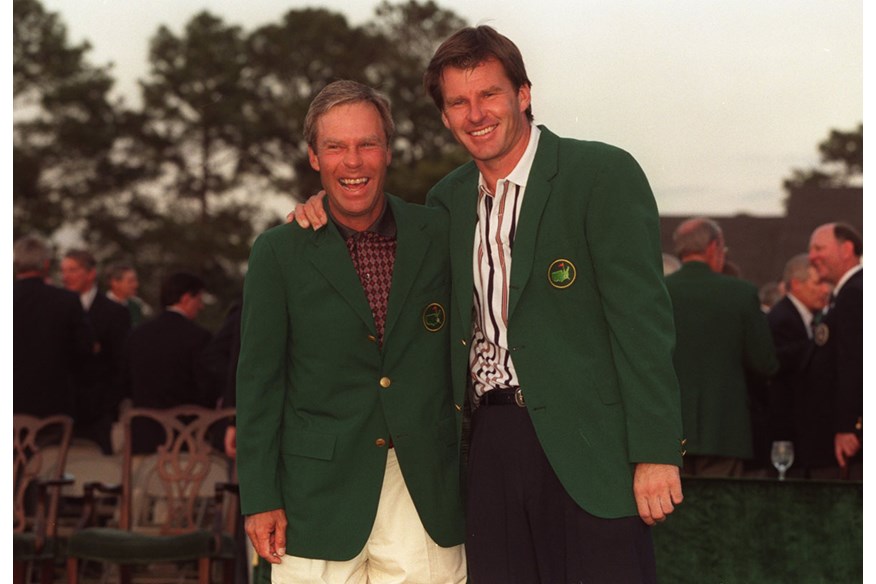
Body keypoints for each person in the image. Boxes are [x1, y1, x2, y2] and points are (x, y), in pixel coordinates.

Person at [293, 27, 685, 584]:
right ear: (446, 116)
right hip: (491, 447)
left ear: (523, 94)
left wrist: (655, 451)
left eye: (490, 94)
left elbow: (643, 326)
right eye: (458, 102)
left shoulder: (600, 175)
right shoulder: (446, 202)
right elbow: (372, 227)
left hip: (589, 447)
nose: (476, 113)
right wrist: (320, 208)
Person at [237, 80, 465, 584]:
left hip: (422, 491)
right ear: (314, 157)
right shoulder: (278, 252)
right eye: (335, 146)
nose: (353, 161)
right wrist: (260, 498)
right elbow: (259, 385)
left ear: (388, 150)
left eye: (366, 144)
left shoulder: (440, 234)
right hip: (313, 500)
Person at [665, 217, 778, 478]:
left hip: (669, 429)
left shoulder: (661, 291)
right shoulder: (741, 293)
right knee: (720, 512)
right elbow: (765, 363)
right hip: (725, 430)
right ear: (714, 247)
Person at [122, 271, 219, 454]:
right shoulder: (199, 337)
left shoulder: (137, 335)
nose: (201, 306)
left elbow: (125, 381)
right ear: (186, 298)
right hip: (184, 438)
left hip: (143, 436)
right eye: (199, 299)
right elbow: (206, 388)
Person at [767, 253, 835, 478]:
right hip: (789, 436)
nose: (826, 290)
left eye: (828, 283)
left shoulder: (808, 317)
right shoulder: (782, 319)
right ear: (796, 284)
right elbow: (780, 363)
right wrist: (819, 342)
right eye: (819, 283)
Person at [13, 235, 94, 420]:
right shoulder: (67, 301)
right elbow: (84, 350)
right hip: (54, 409)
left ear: (16, 263)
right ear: (46, 265)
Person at [61, 249, 131, 453]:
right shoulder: (57, 307)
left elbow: (120, 362)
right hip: (62, 407)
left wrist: (109, 404)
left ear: (90, 273)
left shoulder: (115, 312)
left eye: (73, 270)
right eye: (64, 271)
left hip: (98, 409)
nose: (66, 276)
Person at [807, 222, 863, 479]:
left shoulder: (854, 293)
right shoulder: (849, 293)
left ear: (847, 249)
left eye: (819, 248)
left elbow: (854, 363)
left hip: (853, 440)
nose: (812, 256)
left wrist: (848, 426)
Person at [105, 262, 149, 327]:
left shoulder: (137, 305)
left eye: (135, 281)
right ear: (115, 283)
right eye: (130, 281)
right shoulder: (102, 307)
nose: (136, 285)